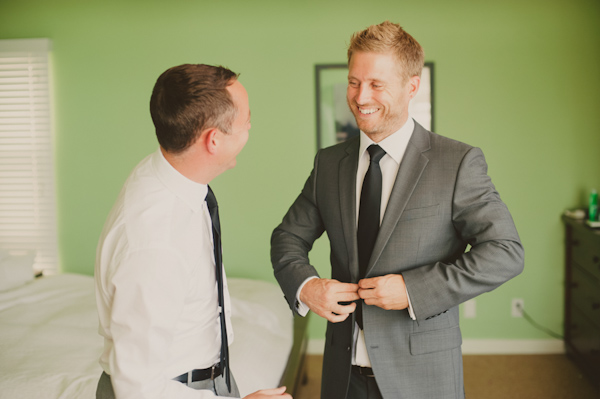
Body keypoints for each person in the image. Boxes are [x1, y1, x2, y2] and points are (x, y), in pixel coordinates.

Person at [271, 21, 524, 399]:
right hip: (342, 375)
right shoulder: (329, 163)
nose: (360, 96)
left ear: (412, 86)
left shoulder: (457, 162)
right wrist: (308, 286)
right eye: (354, 82)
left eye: (376, 84)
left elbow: (506, 252)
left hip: (421, 375)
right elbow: (287, 237)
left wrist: (413, 290)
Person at [95, 64, 291, 399]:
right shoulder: (156, 242)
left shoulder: (167, 172)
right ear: (214, 140)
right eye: (246, 121)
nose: (249, 128)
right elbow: (138, 389)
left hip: (206, 377)